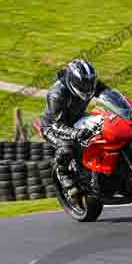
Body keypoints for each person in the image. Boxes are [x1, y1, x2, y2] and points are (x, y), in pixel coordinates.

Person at [41, 59, 107, 198]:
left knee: (105, 125)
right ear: (73, 81)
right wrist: (75, 133)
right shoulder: (57, 93)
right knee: (67, 146)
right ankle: (63, 173)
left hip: (77, 118)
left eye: (90, 83)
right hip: (53, 126)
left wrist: (124, 107)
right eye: (83, 84)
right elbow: (56, 125)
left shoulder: (91, 85)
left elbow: (110, 95)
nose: (87, 87)